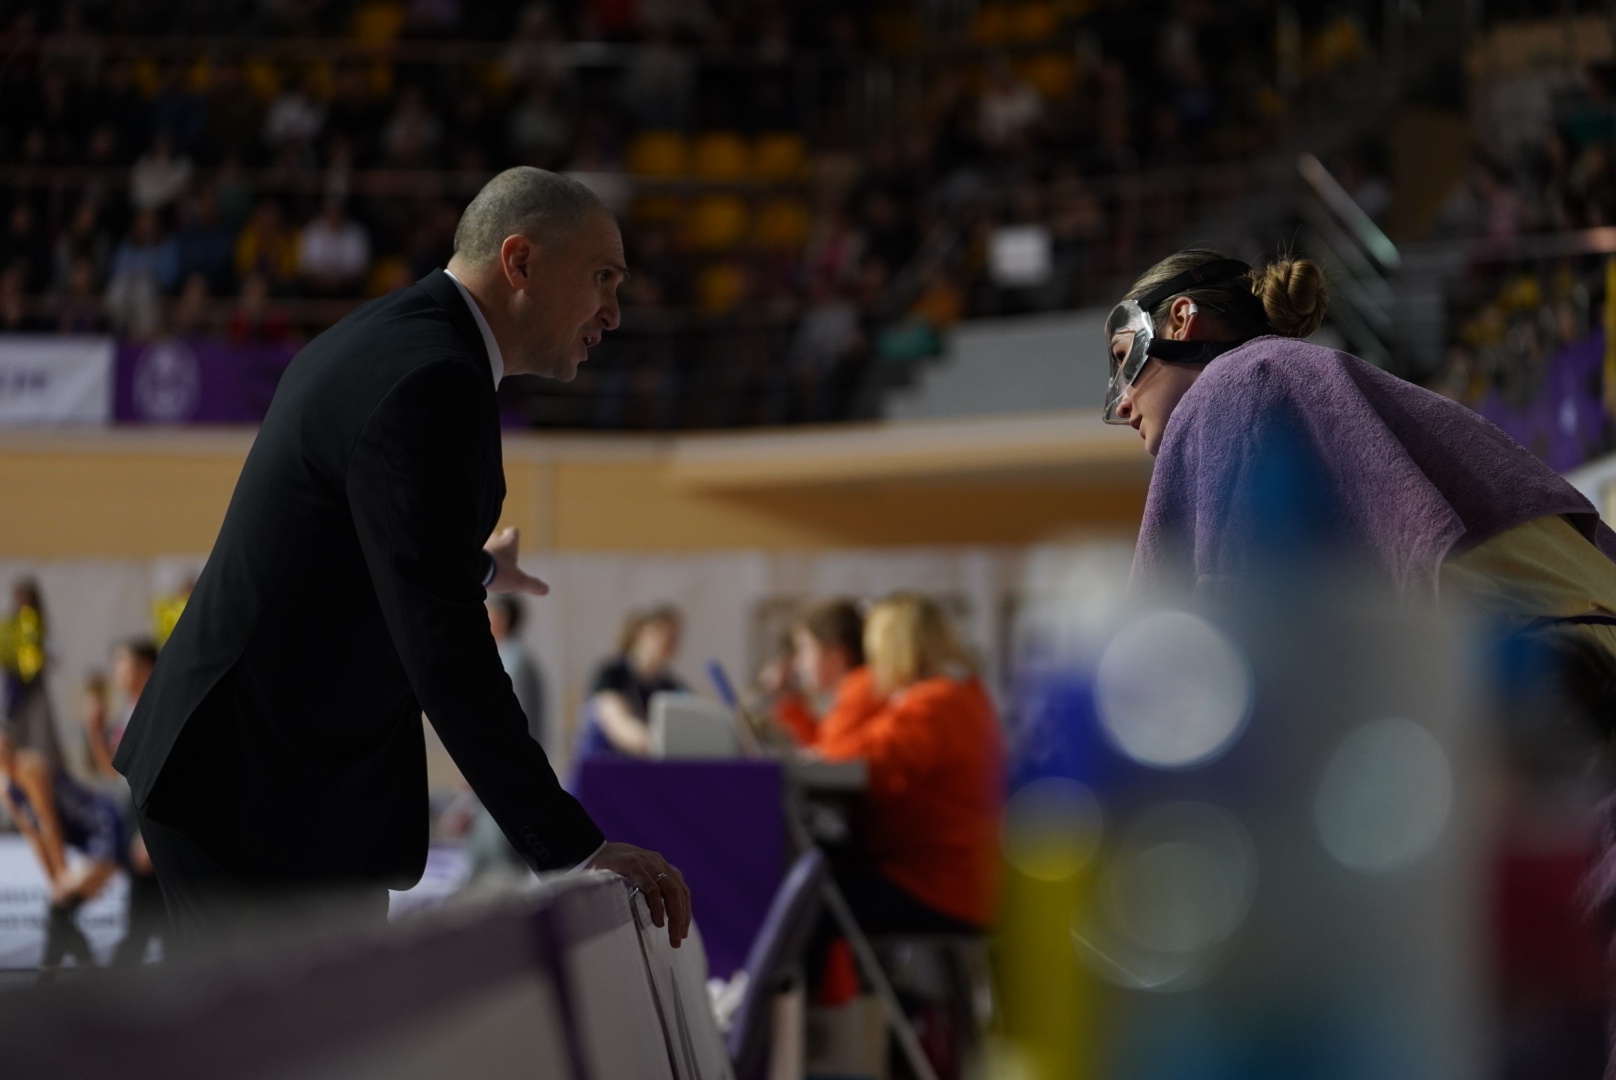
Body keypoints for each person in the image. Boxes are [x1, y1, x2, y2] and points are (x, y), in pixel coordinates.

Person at [113, 167, 690, 949]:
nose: (614, 313)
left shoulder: (406, 341)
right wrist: (571, 847)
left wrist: (478, 567)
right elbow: (443, 644)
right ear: (520, 261)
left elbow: (369, 556)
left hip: (272, 782)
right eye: (602, 279)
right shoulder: (429, 377)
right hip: (252, 789)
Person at [814, 594, 1006, 934]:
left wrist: (857, 682)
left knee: (808, 903)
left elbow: (841, 757)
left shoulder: (932, 706)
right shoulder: (961, 695)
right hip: (968, 882)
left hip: (939, 886)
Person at [0, 731, 146, 980]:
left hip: (102, 827)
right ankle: (79, 971)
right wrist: (53, 881)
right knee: (61, 908)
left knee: (63, 906)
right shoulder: (7, 787)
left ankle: (53, 976)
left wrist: (63, 874)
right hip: (84, 840)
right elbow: (34, 837)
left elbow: (49, 824)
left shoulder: (28, 766)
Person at [577, 605, 687, 758]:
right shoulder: (612, 674)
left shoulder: (670, 687)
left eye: (673, 638)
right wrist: (659, 743)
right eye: (659, 633)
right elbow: (619, 725)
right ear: (640, 633)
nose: (667, 642)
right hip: (602, 766)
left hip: (640, 769)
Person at [768, 598, 880, 748]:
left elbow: (829, 753)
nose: (799, 662)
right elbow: (822, 742)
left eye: (805, 649)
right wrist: (788, 700)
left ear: (836, 656)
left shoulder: (861, 690)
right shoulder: (853, 688)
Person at [2, 578, 64, 770]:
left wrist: (38, 657)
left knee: (41, 729)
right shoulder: (11, 623)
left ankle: (45, 770)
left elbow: (52, 652)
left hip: (35, 682)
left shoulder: (40, 622)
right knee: (14, 728)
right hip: (15, 684)